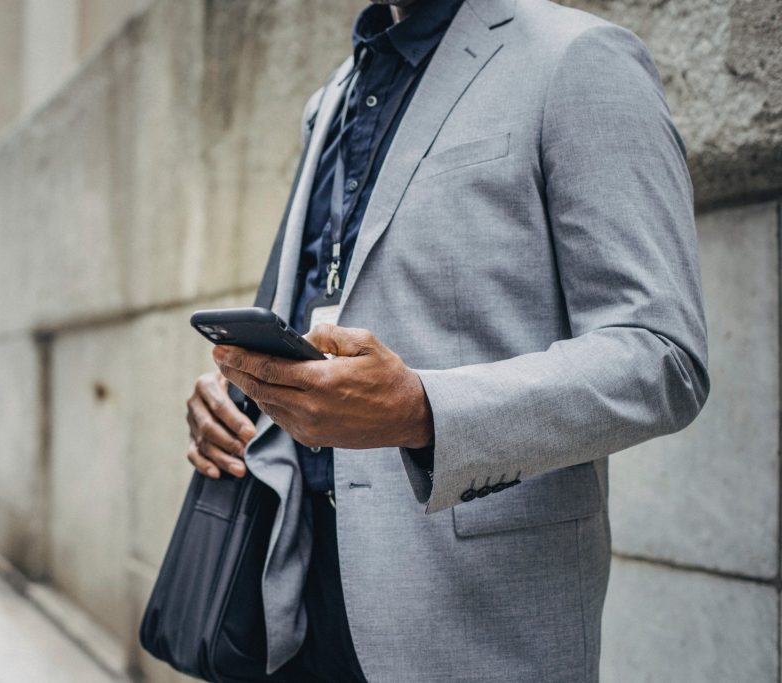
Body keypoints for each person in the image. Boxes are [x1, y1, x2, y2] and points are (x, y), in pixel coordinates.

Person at [185, 0, 709, 680]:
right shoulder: (333, 98)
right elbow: (316, 307)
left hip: (469, 618)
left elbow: (663, 354)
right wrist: (236, 396)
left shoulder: (580, 59)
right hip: (293, 598)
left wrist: (424, 409)